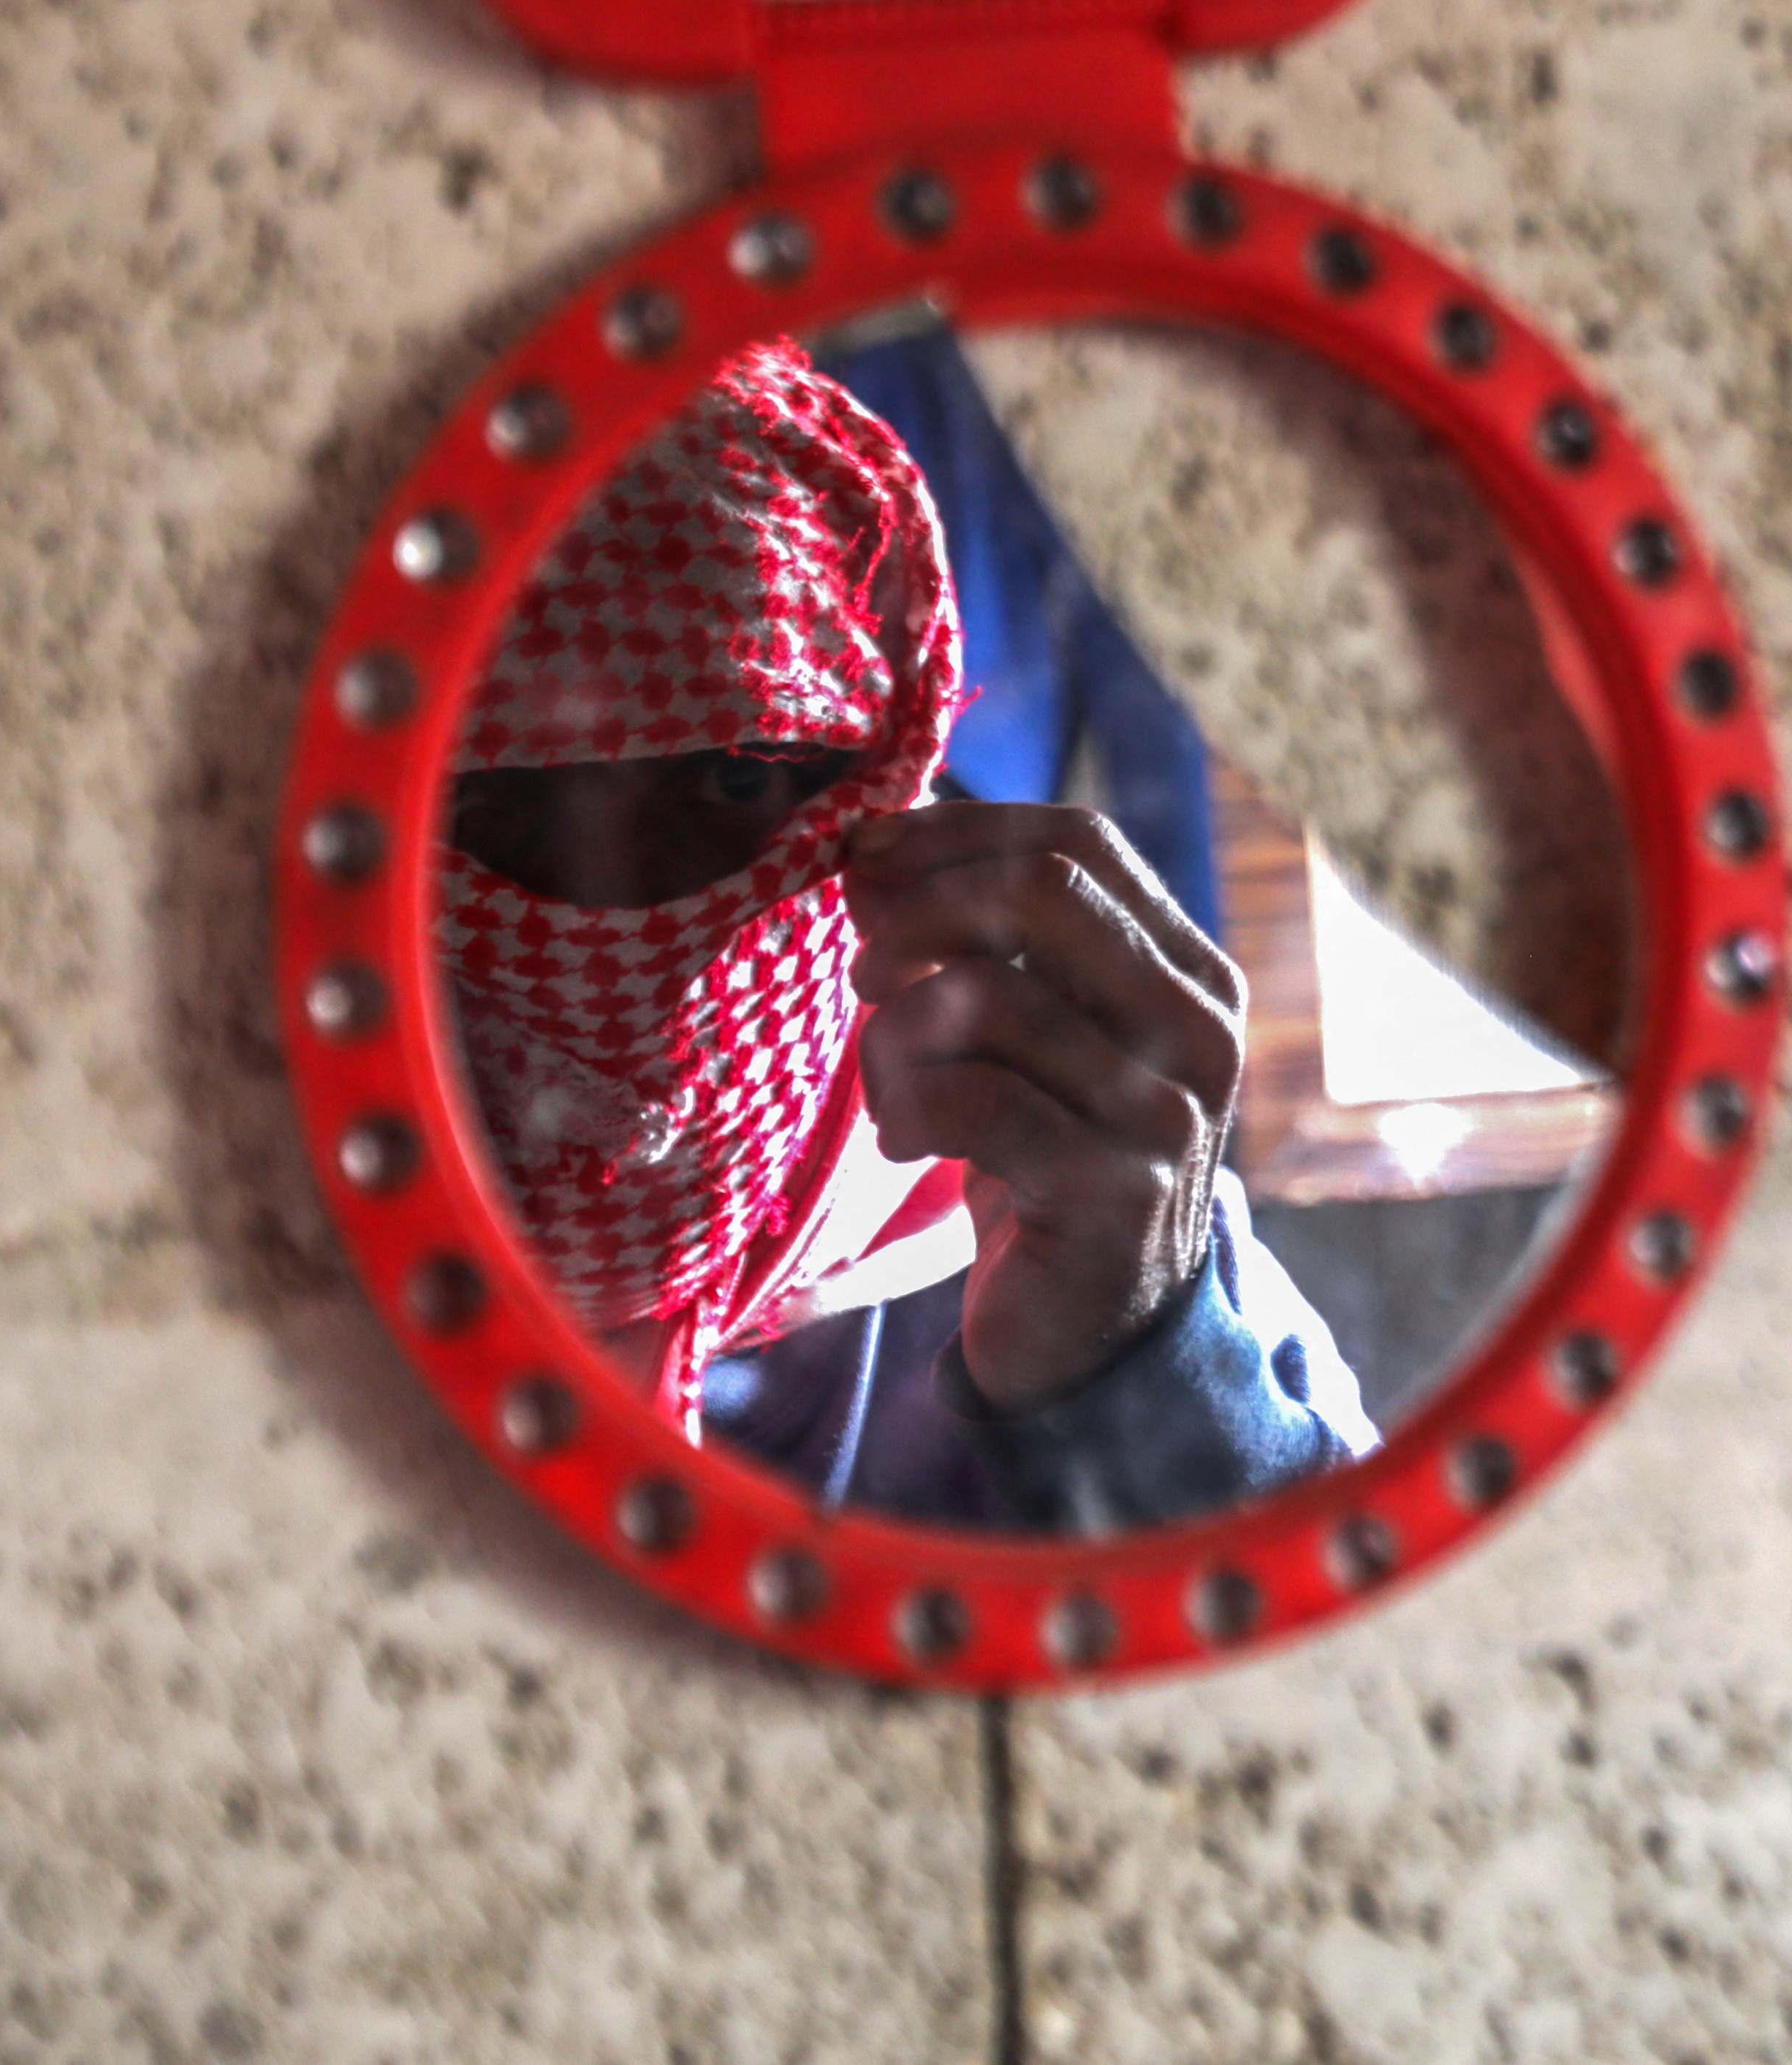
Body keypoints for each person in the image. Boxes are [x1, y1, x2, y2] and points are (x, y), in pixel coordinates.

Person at [433, 340, 1369, 1532]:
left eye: (736, 782)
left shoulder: (1056, 1173)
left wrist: (1142, 1364)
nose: (633, 910)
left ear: (882, 790)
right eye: (519, 813)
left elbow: (1384, 1670)